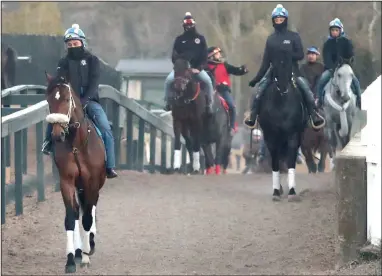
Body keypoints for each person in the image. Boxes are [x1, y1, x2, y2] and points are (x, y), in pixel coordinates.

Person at [41, 24, 118, 179]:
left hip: (91, 100)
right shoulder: (63, 62)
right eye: (69, 45)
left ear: (82, 43)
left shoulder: (93, 60)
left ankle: (109, 165)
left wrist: (84, 100)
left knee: (105, 128)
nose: (72, 47)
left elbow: (94, 82)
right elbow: (61, 82)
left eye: (75, 44)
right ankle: (48, 142)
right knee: (55, 118)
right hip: (69, 101)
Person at [244, 4, 324, 129]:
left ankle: (314, 115)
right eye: (276, 20)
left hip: (292, 70)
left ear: (285, 20)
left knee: (306, 89)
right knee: (259, 92)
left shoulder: (293, 36)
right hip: (274, 71)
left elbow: (301, 55)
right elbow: (266, 62)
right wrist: (256, 79)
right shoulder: (271, 39)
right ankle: (253, 116)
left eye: (281, 19)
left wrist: (289, 54)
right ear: (273, 21)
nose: (279, 22)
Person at [164, 12, 214, 114]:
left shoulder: (200, 39)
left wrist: (199, 68)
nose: (189, 27)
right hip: (182, 69)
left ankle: (209, 104)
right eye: (187, 25)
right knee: (168, 81)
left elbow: (204, 56)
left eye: (190, 25)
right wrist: (179, 66)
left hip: (196, 68)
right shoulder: (179, 39)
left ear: (194, 25)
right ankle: (168, 103)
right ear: (184, 26)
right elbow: (174, 55)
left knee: (208, 81)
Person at [316, 18, 361, 109]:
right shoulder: (327, 43)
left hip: (345, 67)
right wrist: (332, 67)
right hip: (331, 68)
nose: (334, 32)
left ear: (340, 30)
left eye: (336, 30)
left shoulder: (347, 42)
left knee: (355, 82)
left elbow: (351, 55)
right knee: (322, 80)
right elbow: (326, 57)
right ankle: (319, 101)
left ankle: (359, 101)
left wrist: (346, 63)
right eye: (332, 30)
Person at [206, 46, 248, 135]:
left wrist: (242, 70)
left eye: (219, 53)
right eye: (217, 54)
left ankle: (232, 127)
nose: (220, 55)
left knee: (232, 106)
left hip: (224, 91)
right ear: (211, 56)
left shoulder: (224, 65)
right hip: (211, 91)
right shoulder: (206, 67)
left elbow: (235, 70)